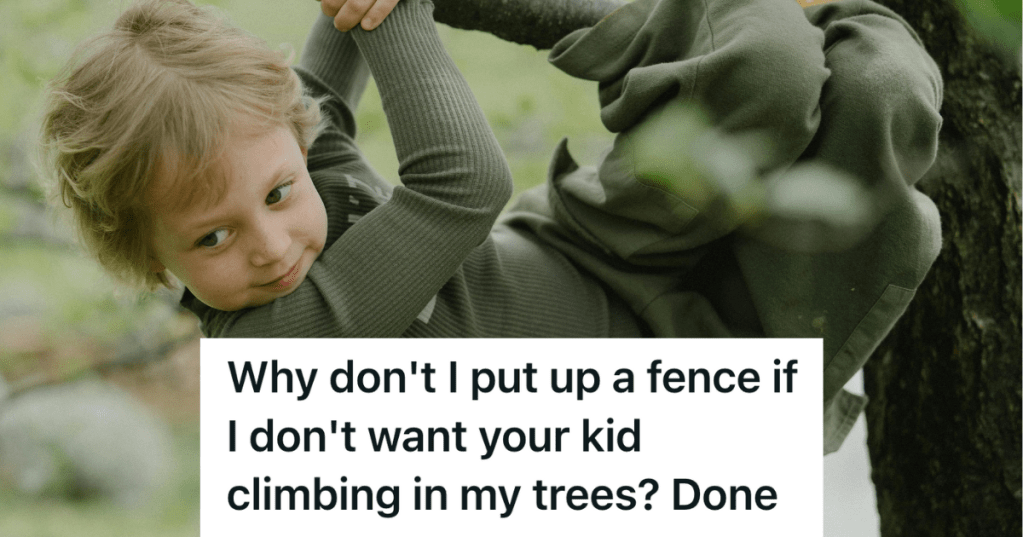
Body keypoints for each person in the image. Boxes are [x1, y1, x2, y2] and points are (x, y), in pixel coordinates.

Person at [41, 0, 942, 451]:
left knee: (775, 68)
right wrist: (395, 15)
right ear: (145, 258)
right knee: (879, 87)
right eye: (211, 239)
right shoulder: (278, 337)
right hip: (686, 379)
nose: (271, 245)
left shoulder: (260, 168)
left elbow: (313, 91)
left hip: (593, 248)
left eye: (278, 192)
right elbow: (462, 189)